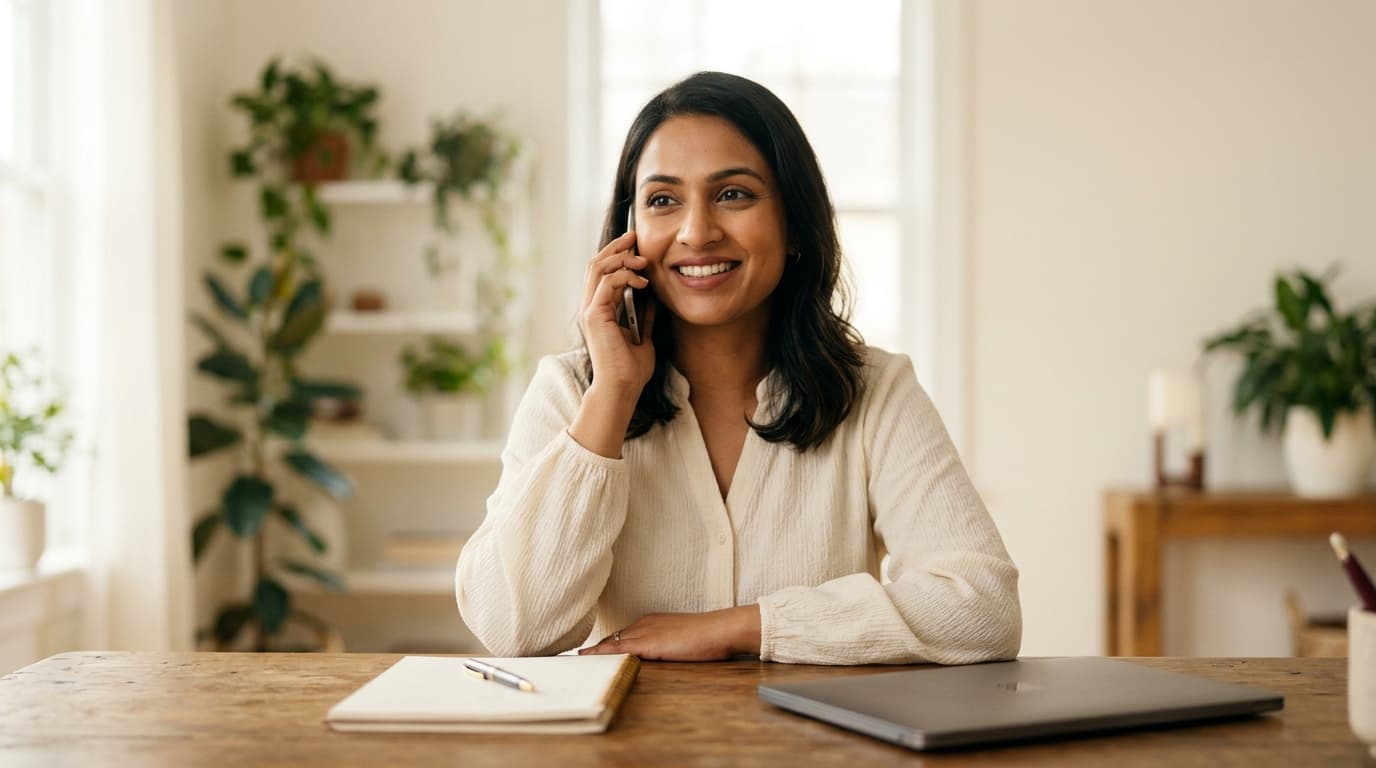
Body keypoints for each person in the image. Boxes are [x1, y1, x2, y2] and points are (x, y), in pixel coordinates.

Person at [456, 71, 1020, 665]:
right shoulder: (570, 392)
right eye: (663, 201)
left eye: (734, 194)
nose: (697, 232)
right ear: (631, 235)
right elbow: (513, 628)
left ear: (795, 224)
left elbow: (981, 610)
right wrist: (613, 395)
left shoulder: (875, 392)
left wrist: (742, 628)